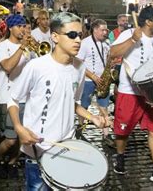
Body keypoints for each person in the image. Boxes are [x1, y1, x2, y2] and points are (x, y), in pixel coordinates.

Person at [8, 12, 107, 190]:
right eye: (71, 35)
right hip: (38, 149)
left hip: (66, 146)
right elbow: (13, 99)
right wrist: (18, 127)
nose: (78, 40)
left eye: (80, 35)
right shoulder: (36, 66)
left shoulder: (79, 67)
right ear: (55, 37)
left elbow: (73, 102)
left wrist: (93, 118)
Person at [109, 5, 153, 183]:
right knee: (123, 130)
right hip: (129, 92)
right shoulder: (130, 33)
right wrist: (132, 40)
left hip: (150, 95)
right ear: (148, 22)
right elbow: (112, 53)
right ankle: (120, 157)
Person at [0, 14, 32, 178]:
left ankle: (13, 161)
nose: (23, 29)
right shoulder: (1, 47)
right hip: (7, 98)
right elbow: (8, 66)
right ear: (10, 28)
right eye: (20, 26)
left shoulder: (30, 48)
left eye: (25, 26)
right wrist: (22, 47)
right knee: (10, 139)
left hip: (27, 99)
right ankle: (0, 158)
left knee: (21, 137)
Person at [76, 19, 115, 147]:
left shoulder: (106, 43)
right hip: (88, 81)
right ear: (95, 29)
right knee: (84, 106)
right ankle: (80, 131)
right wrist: (93, 76)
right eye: (103, 30)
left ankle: (106, 135)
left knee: (104, 108)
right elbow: (78, 63)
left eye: (106, 30)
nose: (105, 33)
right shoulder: (85, 43)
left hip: (103, 80)